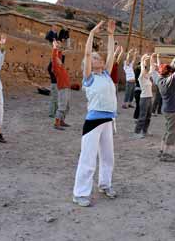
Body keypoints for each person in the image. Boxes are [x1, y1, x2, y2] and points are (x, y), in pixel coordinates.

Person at [73, 20, 117, 207]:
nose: (99, 60)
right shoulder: (89, 78)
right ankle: (80, 193)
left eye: (99, 58)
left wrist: (111, 34)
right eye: (95, 58)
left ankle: (105, 184)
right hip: (93, 121)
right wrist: (91, 33)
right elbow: (87, 52)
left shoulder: (105, 74)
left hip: (108, 120)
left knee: (108, 157)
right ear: (89, 63)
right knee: (88, 158)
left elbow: (112, 55)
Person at [133, 53, 155, 138]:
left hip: (149, 98)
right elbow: (142, 68)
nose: (146, 70)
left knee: (148, 116)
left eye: (146, 69)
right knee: (142, 116)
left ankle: (145, 131)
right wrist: (143, 60)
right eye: (145, 69)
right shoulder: (141, 78)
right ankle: (136, 132)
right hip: (144, 99)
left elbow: (152, 68)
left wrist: (152, 58)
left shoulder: (148, 77)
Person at [52, 40, 71, 130]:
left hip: (66, 88)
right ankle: (56, 123)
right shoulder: (56, 67)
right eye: (58, 58)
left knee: (67, 106)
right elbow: (54, 57)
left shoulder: (61, 66)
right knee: (62, 106)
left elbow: (58, 55)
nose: (59, 59)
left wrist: (59, 49)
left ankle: (62, 121)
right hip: (62, 88)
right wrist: (55, 48)